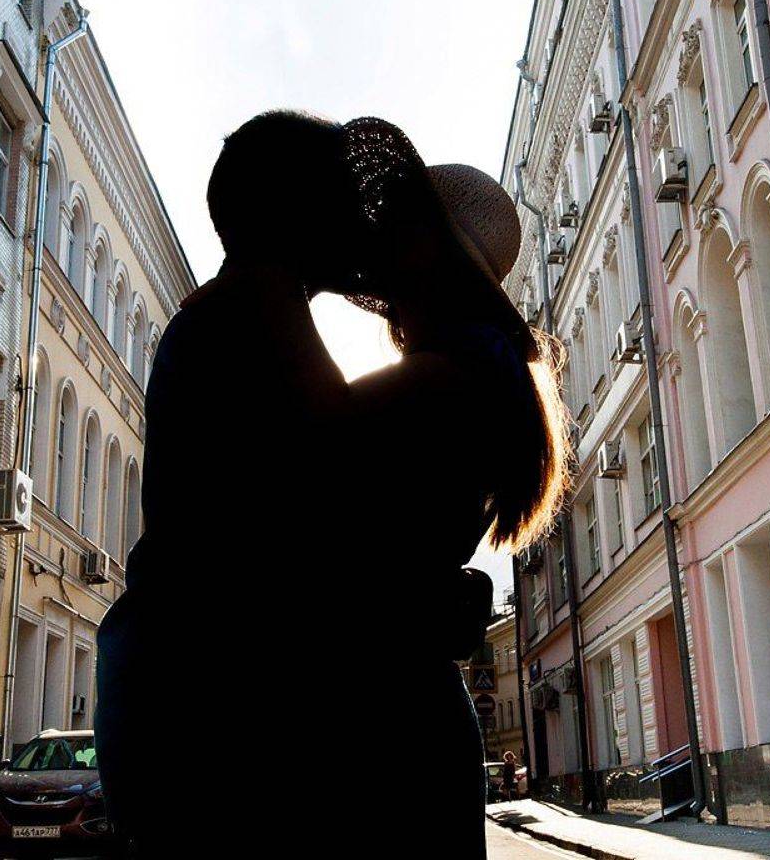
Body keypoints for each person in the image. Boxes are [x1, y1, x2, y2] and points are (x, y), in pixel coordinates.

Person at [94, 110, 376, 856]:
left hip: (187, 704)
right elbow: (350, 489)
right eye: (340, 196)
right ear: (295, 211)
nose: (357, 217)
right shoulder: (261, 312)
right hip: (218, 721)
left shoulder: (236, 309)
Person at [330, 118, 570, 857]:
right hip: (409, 710)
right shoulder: (480, 366)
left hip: (388, 725)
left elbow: (304, 428)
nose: (381, 244)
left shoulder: (450, 375)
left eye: (399, 228)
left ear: (431, 251)